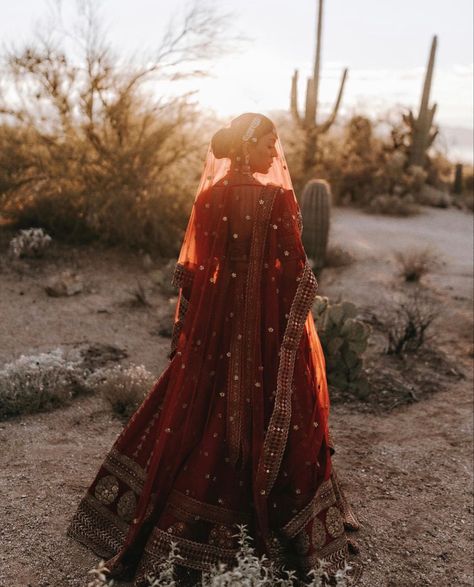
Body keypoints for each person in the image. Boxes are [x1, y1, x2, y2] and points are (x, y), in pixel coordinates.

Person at [67, 113, 363, 586]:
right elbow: (295, 272)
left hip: (214, 332)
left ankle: (153, 520)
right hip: (266, 331)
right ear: (248, 148)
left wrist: (198, 327)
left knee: (194, 409)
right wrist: (292, 333)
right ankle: (278, 530)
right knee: (278, 411)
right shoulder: (278, 199)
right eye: (269, 143)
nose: (275, 153)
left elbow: (198, 271)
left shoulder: (207, 198)